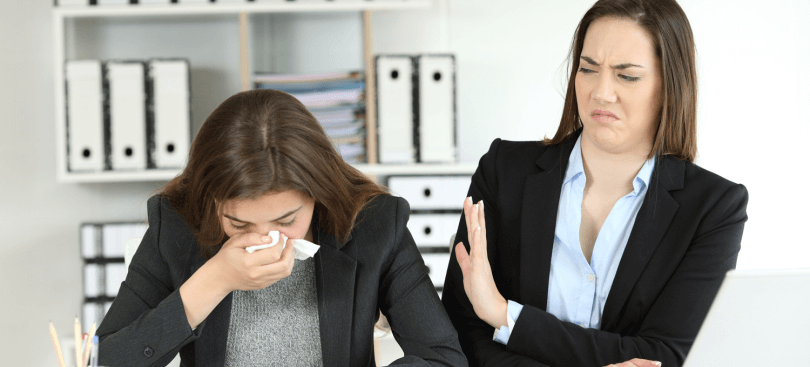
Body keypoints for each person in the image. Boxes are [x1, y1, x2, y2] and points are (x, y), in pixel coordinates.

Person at [441, 0, 748, 366]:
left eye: (627, 75)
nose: (601, 92)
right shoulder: (503, 172)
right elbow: (461, 332)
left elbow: (664, 356)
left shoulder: (714, 208)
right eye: (588, 69)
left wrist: (506, 315)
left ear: (670, 86)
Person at [95, 89, 467, 367]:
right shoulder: (177, 225)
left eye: (287, 220)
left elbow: (442, 358)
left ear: (319, 194)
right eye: (238, 223)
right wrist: (214, 280)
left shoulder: (373, 225)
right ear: (211, 203)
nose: (265, 238)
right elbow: (107, 360)